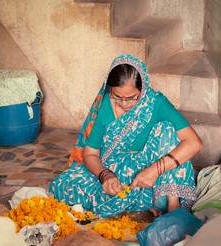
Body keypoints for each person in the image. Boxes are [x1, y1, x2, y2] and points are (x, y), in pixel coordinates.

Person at [49, 54, 203, 218]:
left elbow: (194, 143)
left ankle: (173, 205)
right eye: (117, 96)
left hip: (153, 179)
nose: (123, 104)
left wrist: (154, 171)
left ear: (142, 89)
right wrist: (105, 176)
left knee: (166, 128)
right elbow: (90, 154)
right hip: (115, 174)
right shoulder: (105, 105)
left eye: (131, 98)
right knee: (61, 186)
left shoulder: (155, 103)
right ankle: (140, 204)